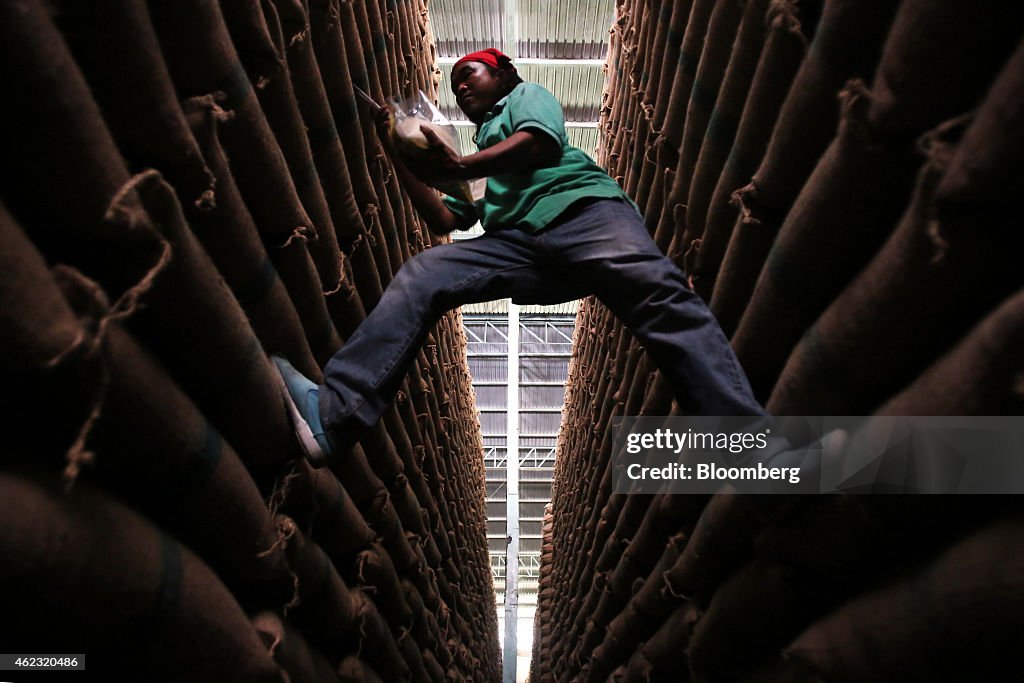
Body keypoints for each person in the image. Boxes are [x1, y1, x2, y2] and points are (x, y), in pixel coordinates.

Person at [272, 48, 769, 468]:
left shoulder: (524, 98)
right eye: (454, 81)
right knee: (426, 272)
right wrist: (400, 157)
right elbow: (447, 220)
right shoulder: (485, 155)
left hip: (583, 215)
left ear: (505, 73)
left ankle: (756, 453)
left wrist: (462, 163)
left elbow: (539, 142)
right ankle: (334, 418)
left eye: (471, 72)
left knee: (659, 302)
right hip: (520, 244)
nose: (461, 85)